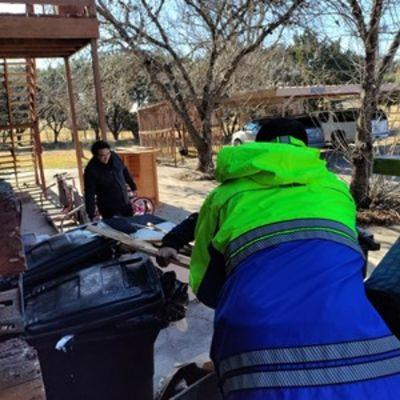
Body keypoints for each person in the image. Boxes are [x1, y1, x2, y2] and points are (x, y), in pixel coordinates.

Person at [157, 118, 400, 399]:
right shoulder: (336, 190)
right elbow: (349, 266)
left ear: (257, 146)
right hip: (359, 340)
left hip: (254, 346)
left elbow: (208, 287)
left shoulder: (224, 196)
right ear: (306, 148)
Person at [84, 140, 137, 220]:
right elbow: (89, 193)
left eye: (108, 154)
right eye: (102, 155)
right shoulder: (91, 170)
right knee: (114, 231)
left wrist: (133, 186)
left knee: (131, 227)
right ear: (96, 155)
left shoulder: (115, 157)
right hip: (108, 209)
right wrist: (91, 214)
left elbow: (124, 170)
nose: (106, 158)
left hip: (124, 203)